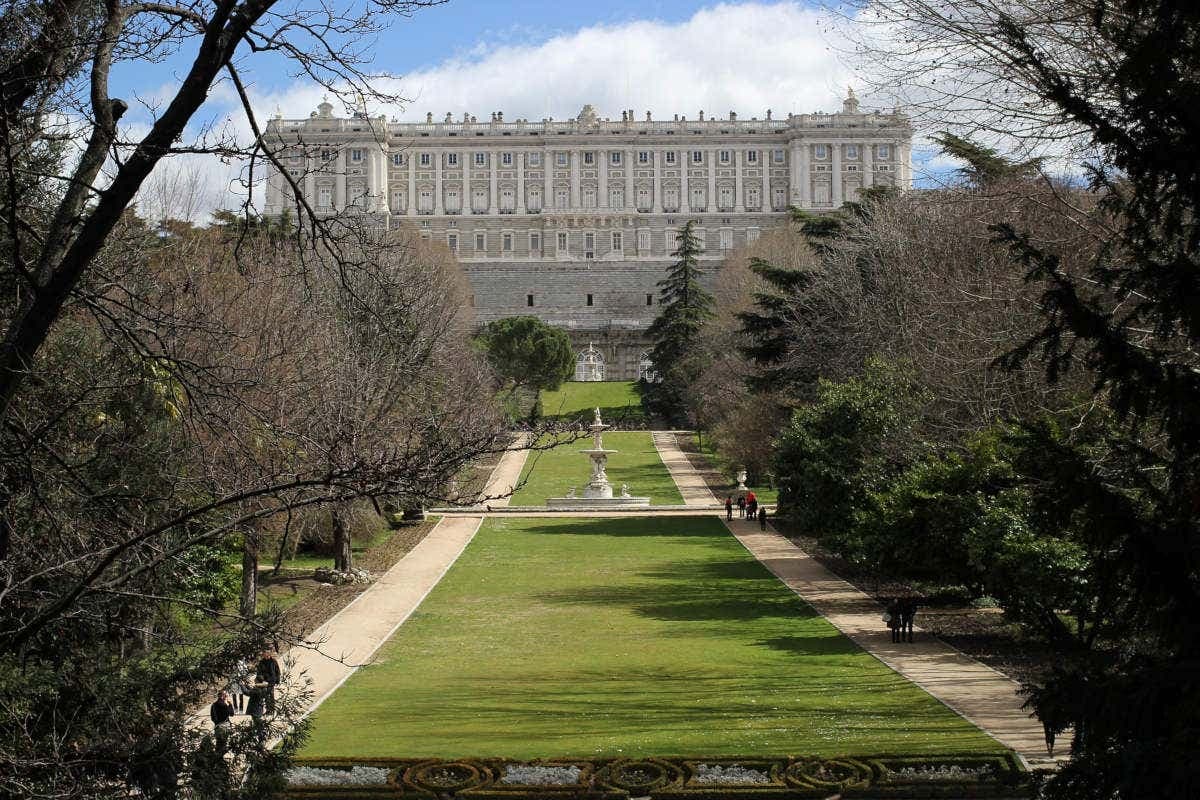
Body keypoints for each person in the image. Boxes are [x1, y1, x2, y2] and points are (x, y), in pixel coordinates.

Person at [255, 649, 282, 715]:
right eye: (264, 655)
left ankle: (272, 709)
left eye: (266, 655)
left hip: (272, 680)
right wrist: (261, 680)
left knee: (271, 695)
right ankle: (268, 710)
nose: (265, 656)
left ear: (269, 654)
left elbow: (277, 671)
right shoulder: (261, 662)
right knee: (266, 696)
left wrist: (277, 680)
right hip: (264, 681)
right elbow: (259, 672)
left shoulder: (273, 661)